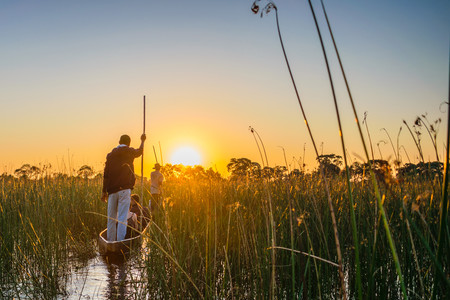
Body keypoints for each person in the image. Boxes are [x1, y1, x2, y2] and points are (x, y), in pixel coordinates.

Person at [101, 133, 146, 241]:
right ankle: (120, 242)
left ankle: (111, 241)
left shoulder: (110, 155)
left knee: (111, 218)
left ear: (119, 142)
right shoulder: (129, 151)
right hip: (124, 190)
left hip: (111, 191)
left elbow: (106, 174)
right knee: (122, 218)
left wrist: (104, 192)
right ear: (128, 143)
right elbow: (140, 151)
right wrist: (142, 141)